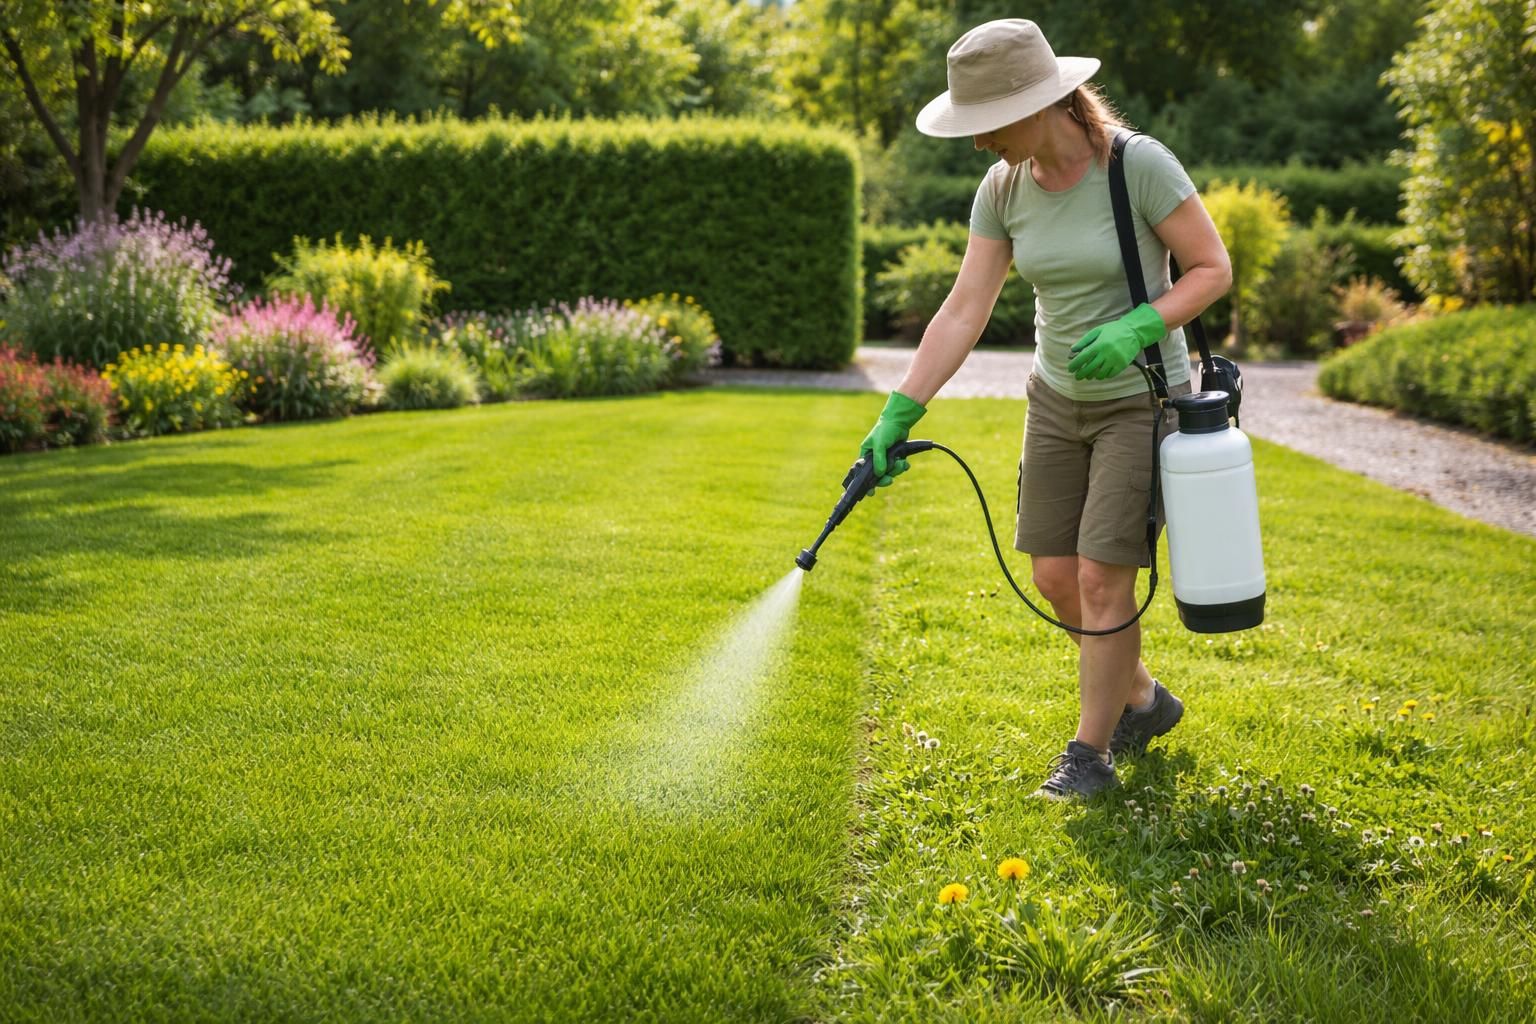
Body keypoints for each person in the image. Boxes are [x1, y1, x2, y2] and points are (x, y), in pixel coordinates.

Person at [859, 19, 1232, 800]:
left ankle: (1089, 755)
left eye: (985, 125)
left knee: (1102, 579)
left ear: (1040, 104)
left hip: (1141, 398)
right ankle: (1142, 699)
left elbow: (1210, 268)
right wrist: (901, 408)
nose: (976, 144)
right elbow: (964, 309)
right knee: (1057, 576)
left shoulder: (1138, 167)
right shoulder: (1003, 187)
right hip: (1054, 399)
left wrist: (1140, 323)